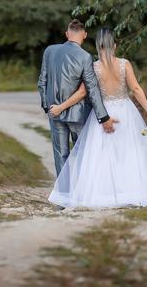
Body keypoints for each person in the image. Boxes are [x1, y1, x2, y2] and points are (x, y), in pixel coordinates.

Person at [48, 27, 147, 208]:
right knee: (129, 152)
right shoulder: (125, 64)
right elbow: (136, 89)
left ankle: (105, 194)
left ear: (98, 46)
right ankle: (133, 192)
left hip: (103, 114)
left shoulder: (94, 67)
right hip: (126, 112)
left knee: (103, 154)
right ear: (114, 46)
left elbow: (82, 93)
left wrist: (61, 107)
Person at [38, 19, 117, 177]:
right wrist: (103, 116)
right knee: (82, 153)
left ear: (67, 34)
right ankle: (80, 188)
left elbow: (42, 81)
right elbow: (91, 88)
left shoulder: (49, 51)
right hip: (78, 114)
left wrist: (47, 107)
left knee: (60, 154)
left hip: (54, 112)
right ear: (85, 35)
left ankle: (63, 190)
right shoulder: (85, 57)